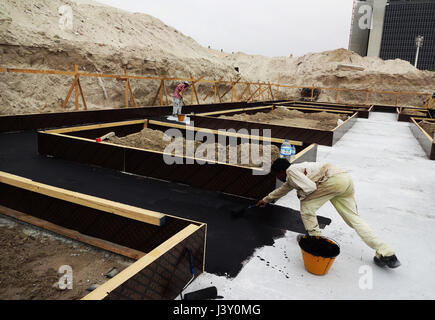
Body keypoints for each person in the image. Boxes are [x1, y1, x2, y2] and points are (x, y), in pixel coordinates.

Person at [256, 158, 401, 268]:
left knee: (306, 209)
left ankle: (315, 241)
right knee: (354, 220)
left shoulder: (291, 171)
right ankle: (387, 253)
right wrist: (266, 199)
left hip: (331, 181)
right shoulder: (296, 172)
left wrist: (300, 194)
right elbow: (283, 189)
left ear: (281, 171)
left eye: (276, 175)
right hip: (344, 179)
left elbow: (310, 188)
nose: (277, 178)